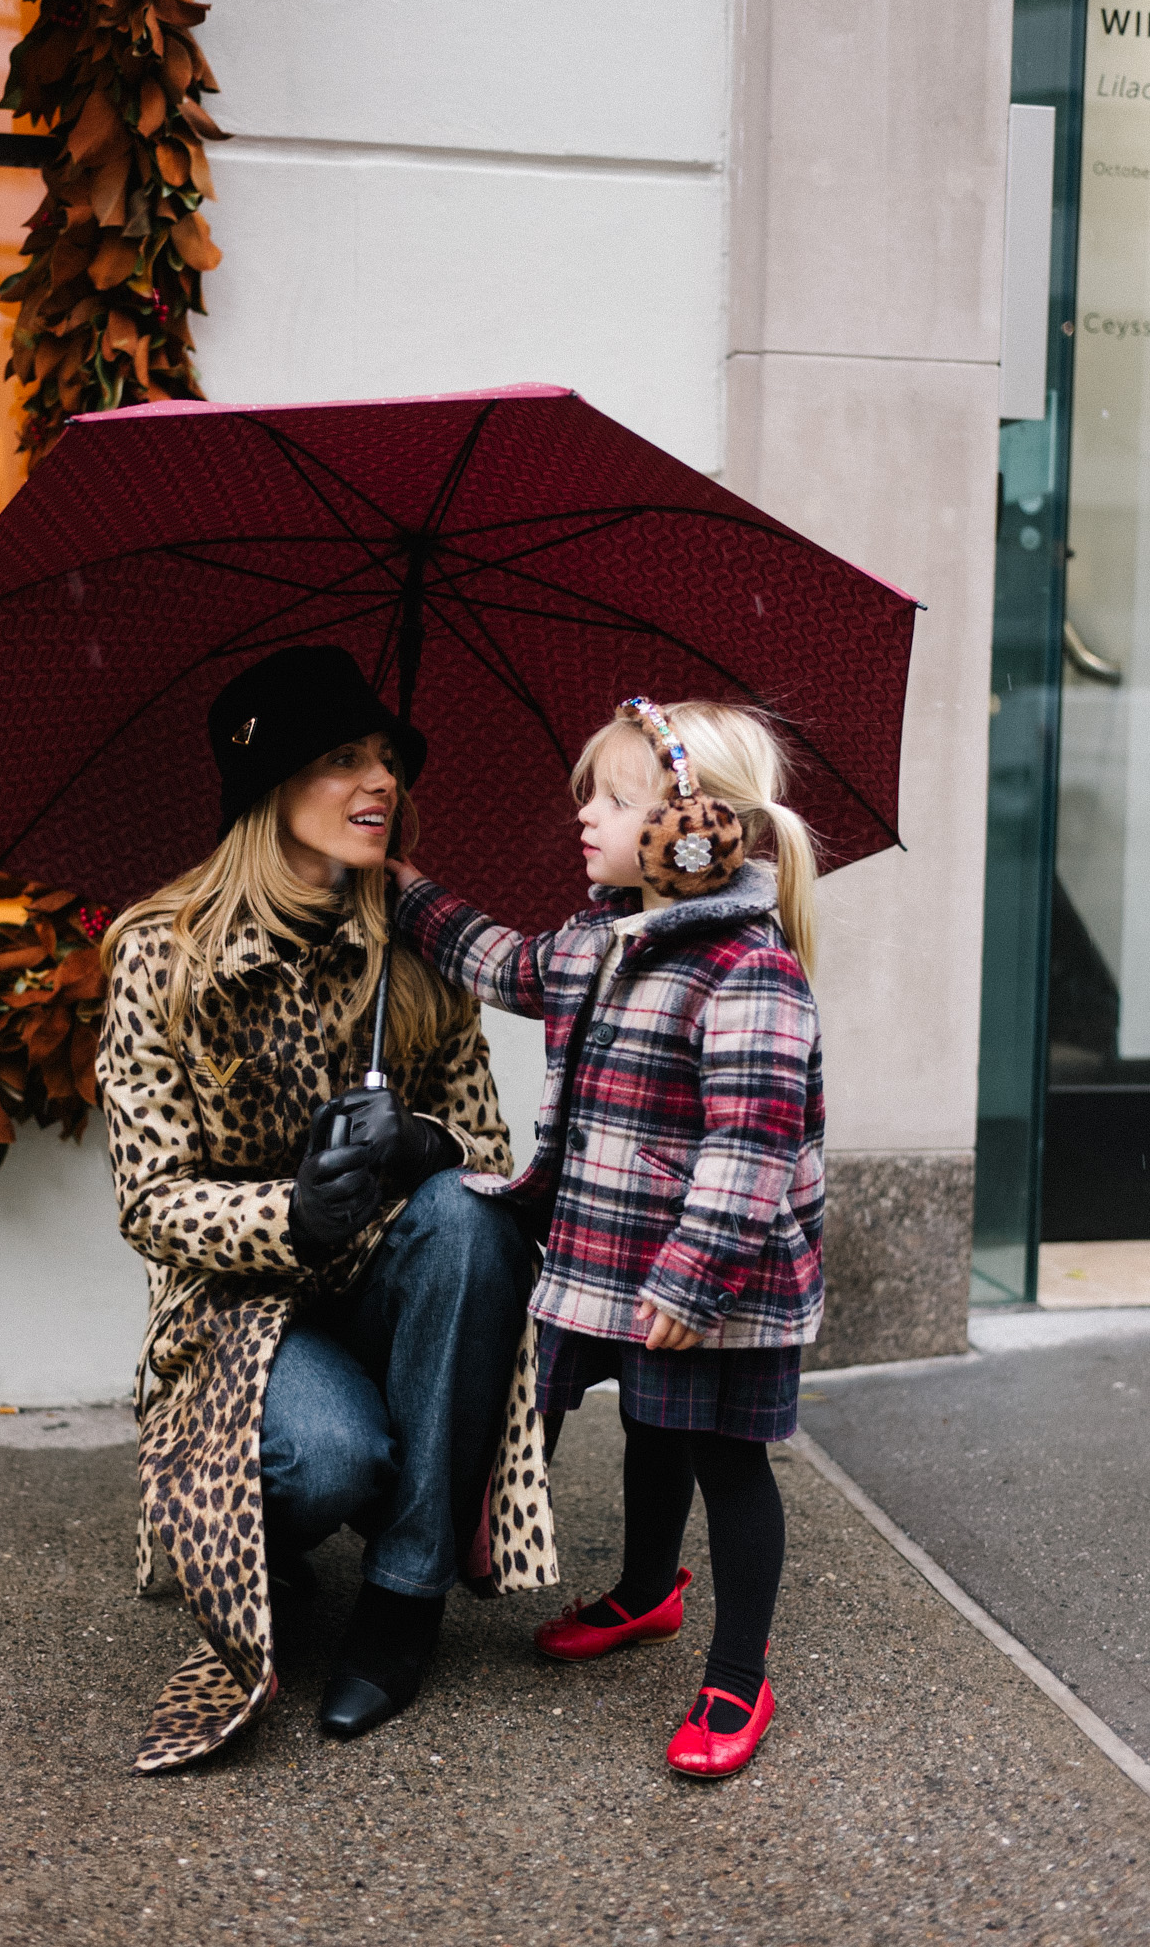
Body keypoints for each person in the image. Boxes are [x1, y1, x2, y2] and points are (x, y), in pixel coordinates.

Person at [97, 644, 555, 1774]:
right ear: (270, 783)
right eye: (344, 758)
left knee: (465, 1214)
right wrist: (285, 1216)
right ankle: (277, 1539)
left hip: (392, 1275)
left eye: (388, 759)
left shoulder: (416, 951)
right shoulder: (163, 954)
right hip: (245, 1310)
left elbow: (489, 1167)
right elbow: (151, 1201)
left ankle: (404, 1598)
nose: (380, 781)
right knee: (330, 1460)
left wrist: (418, 1143)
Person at [389, 696, 823, 1780]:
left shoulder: (746, 971)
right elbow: (499, 963)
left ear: (694, 827)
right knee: (648, 1426)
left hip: (715, 1280)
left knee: (727, 1462)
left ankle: (737, 1670)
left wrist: (692, 1282)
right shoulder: (594, 942)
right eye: (589, 790)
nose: (584, 812)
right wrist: (405, 898)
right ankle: (645, 1590)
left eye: (614, 797)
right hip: (613, 1256)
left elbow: (752, 1146)